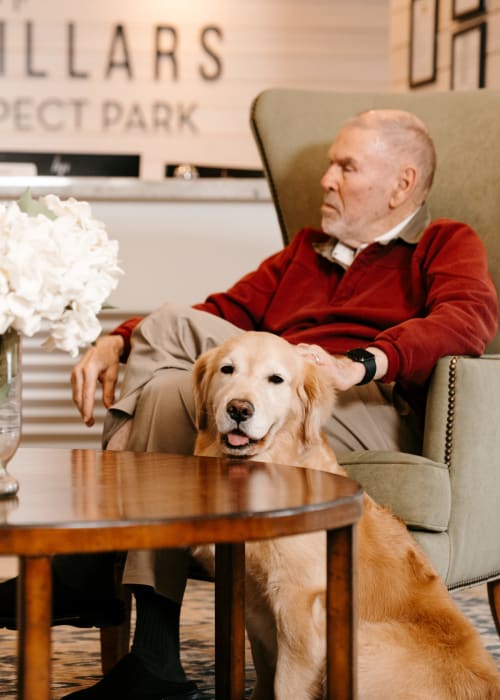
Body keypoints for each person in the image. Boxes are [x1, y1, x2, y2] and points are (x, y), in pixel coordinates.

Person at [29, 109, 500, 699]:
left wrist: (361, 362)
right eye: (330, 164)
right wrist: (115, 339)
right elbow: (217, 311)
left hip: (356, 403)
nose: (326, 179)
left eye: (345, 166)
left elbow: (468, 320)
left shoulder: (442, 243)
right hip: (269, 387)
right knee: (171, 346)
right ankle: (144, 636)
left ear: (401, 184)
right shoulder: (307, 250)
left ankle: (116, 580)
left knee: (174, 393)